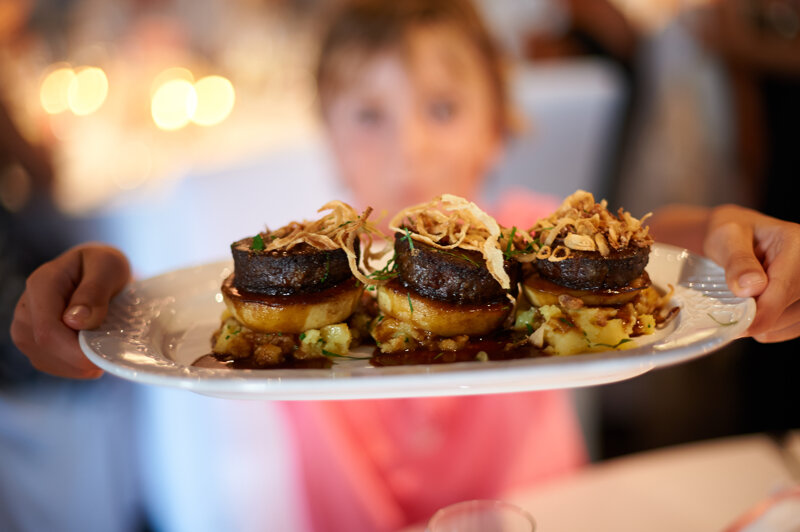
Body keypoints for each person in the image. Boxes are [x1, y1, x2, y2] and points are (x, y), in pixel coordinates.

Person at [8, 1, 800, 531]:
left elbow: (654, 242)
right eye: (370, 115)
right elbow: (165, 306)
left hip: (533, 513)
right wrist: (101, 281)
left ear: (502, 127)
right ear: (328, 134)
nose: (409, 147)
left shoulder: (527, 240)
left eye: (443, 109)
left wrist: (728, 232)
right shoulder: (311, 271)